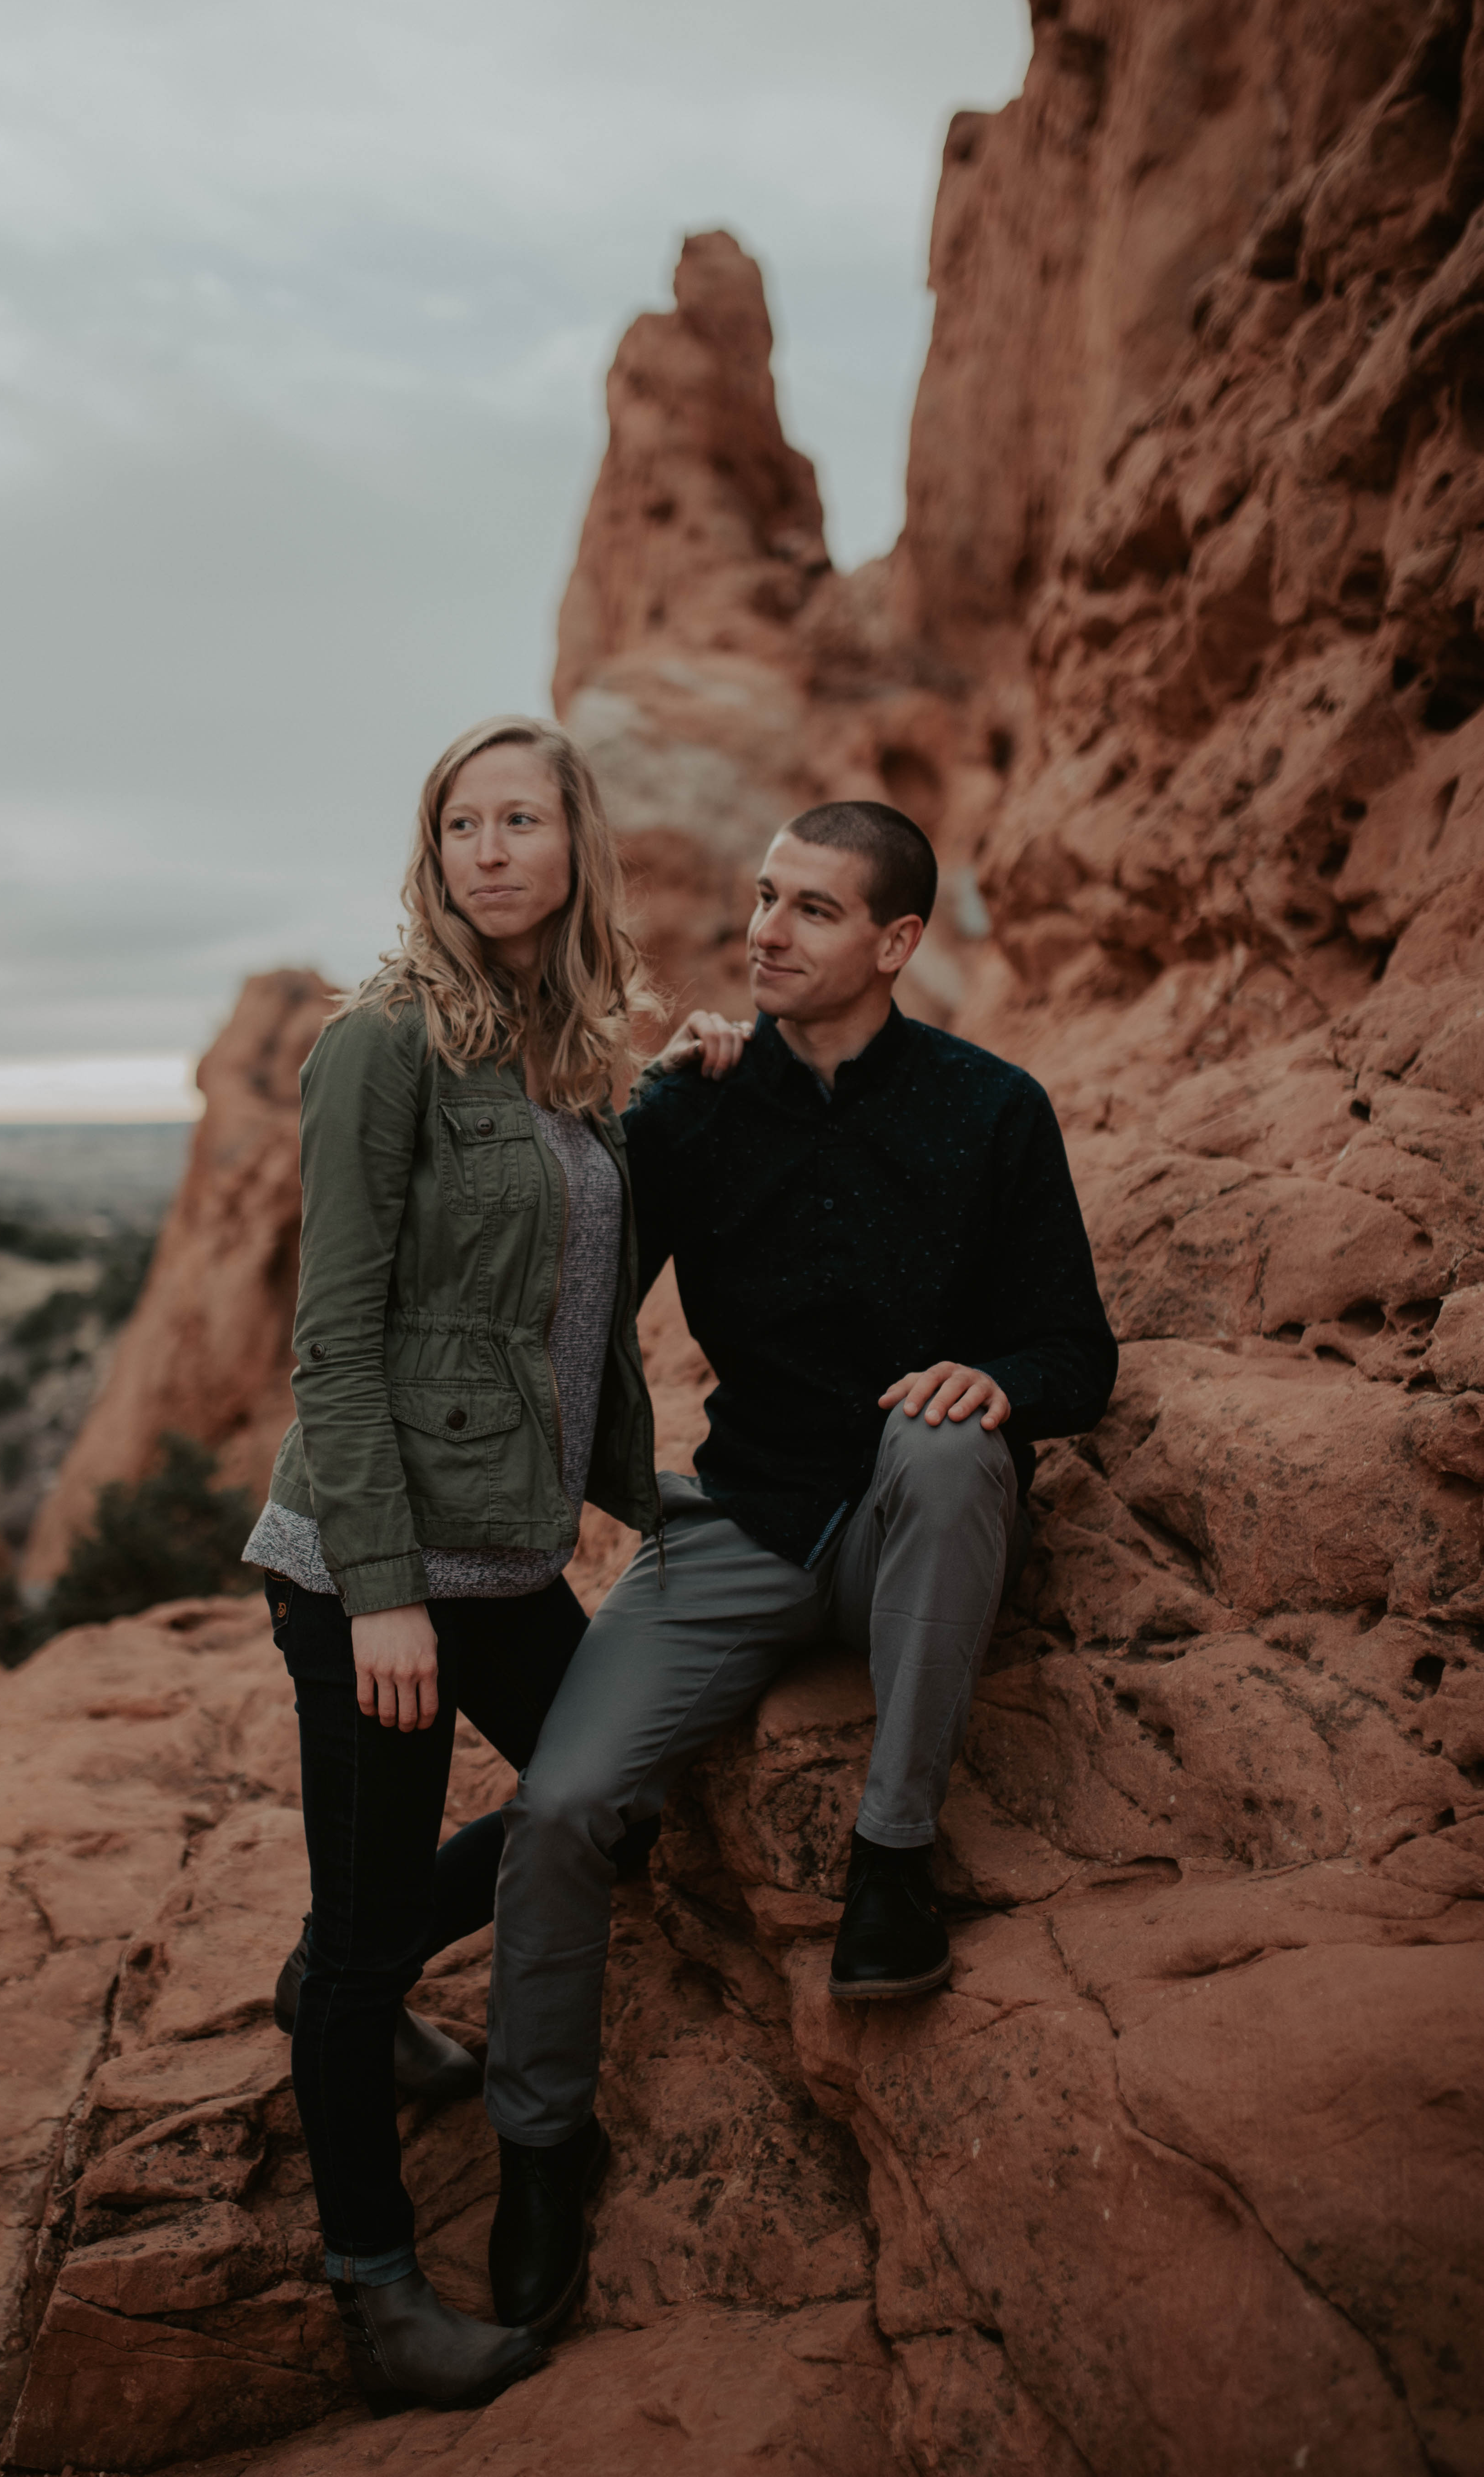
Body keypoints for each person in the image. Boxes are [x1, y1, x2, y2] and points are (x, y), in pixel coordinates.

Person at [481, 799, 1118, 2338]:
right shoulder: (700, 1109)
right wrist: (639, 1101)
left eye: (813, 910)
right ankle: (542, 2147)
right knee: (563, 1808)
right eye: (765, 899)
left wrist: (1000, 1381)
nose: (766, 929)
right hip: (743, 1522)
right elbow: (573, 1277)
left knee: (958, 1442)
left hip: (915, 1523)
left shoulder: (993, 1106)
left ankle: (892, 1866)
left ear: (897, 943)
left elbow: (1075, 1347)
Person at [242, 714, 691, 2413]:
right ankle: (375, 2285)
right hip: (378, 1565)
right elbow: (336, 1342)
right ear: (431, 858)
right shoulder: (385, 1047)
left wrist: (695, 1073)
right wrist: (377, 1592)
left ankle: (324, 1967)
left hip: (512, 1556)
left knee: (619, 1791)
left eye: (521, 820)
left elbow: (584, 1298)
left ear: (576, 844)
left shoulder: (568, 1058)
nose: (489, 851)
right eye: (459, 826)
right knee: (369, 1961)